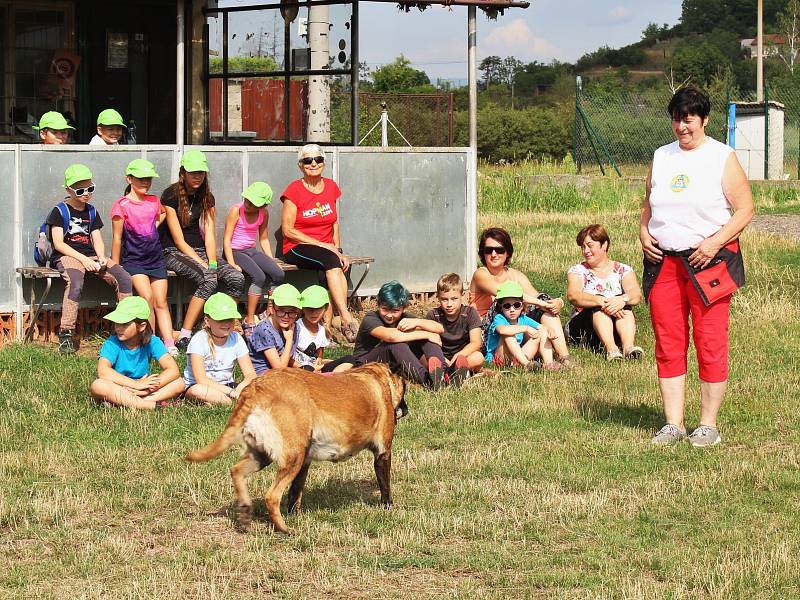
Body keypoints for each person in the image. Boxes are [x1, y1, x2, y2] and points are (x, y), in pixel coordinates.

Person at [641, 86, 754, 448]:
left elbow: (745, 210)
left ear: (704, 120)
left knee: (710, 342)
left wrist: (714, 243)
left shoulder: (722, 156)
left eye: (688, 119)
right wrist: (643, 232)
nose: (681, 127)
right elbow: (649, 203)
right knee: (668, 342)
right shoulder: (661, 156)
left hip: (708, 263)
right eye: (676, 119)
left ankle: (707, 425)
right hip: (664, 265)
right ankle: (673, 423)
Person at [159, 149, 244, 350]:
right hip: (173, 251)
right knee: (208, 278)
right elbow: (178, 240)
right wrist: (204, 265)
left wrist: (212, 262)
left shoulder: (207, 197)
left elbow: (210, 235)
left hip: (201, 250)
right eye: (192, 172)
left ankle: (220, 324)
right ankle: (185, 335)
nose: (197, 176)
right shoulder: (170, 195)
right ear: (183, 173)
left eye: (201, 172)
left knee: (236, 278)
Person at [47, 163, 132, 354]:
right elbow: (59, 243)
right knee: (75, 282)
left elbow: (97, 239)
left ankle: (127, 325)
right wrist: (83, 260)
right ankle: (66, 333)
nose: (86, 193)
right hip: (67, 255)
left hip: (91, 255)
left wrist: (101, 257)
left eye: (90, 188)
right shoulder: (59, 211)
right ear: (68, 189)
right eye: (80, 190)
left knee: (124, 278)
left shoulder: (92, 211)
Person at [280, 144, 358, 342]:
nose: (313, 163)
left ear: (324, 163)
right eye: (307, 160)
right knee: (331, 261)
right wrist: (326, 247)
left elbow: (334, 223)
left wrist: (338, 250)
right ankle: (346, 317)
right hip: (297, 247)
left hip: (326, 250)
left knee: (333, 265)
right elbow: (288, 230)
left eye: (318, 159)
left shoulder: (331, 186)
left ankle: (327, 328)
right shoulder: (293, 190)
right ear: (300, 165)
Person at [469, 227, 575, 368]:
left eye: (499, 250)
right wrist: (541, 303)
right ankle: (527, 359)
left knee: (545, 309)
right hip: (489, 332)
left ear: (507, 252)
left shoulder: (515, 275)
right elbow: (506, 294)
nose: (493, 254)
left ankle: (563, 357)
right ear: (483, 253)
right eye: (488, 250)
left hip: (514, 326)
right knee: (505, 302)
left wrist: (556, 302)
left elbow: (536, 296)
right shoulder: (481, 274)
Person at [323, 281, 448, 389]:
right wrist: (426, 334)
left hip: (392, 364)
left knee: (429, 338)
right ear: (378, 305)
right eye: (385, 309)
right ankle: (427, 381)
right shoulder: (370, 318)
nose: (389, 315)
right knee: (396, 345)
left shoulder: (406, 318)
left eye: (395, 311)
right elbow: (391, 337)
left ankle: (443, 374)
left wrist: (419, 323)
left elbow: (439, 329)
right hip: (364, 364)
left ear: (404, 308)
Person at [111, 159, 175, 354]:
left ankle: (169, 343)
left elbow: (162, 214)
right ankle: (152, 340)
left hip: (156, 259)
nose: (145, 182)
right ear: (129, 179)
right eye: (140, 179)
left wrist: (150, 228)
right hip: (133, 260)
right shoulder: (121, 205)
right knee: (146, 296)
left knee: (161, 301)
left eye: (148, 179)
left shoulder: (154, 201)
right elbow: (117, 237)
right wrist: (115, 265)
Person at [90, 296, 185, 410]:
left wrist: (147, 388)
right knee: (98, 385)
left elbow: (173, 370)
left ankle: (126, 403)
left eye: (124, 324)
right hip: (119, 386)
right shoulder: (112, 343)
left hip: (143, 388)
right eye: (117, 323)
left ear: (142, 326)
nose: (118, 328)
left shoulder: (153, 342)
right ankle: (152, 405)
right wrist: (136, 385)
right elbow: (103, 371)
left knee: (179, 383)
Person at [565, 224, 644, 361]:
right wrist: (602, 301)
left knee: (624, 305)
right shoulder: (577, 271)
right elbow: (574, 296)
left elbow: (636, 294)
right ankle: (611, 350)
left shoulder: (623, 270)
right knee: (598, 307)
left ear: (604, 245)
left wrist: (621, 300)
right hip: (584, 326)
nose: (586, 251)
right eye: (583, 247)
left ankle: (628, 348)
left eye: (590, 245)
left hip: (614, 324)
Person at [223, 181, 284, 333]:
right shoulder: (236, 210)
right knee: (259, 277)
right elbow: (227, 239)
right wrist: (231, 262)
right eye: (247, 200)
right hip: (235, 251)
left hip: (251, 250)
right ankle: (249, 319)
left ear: (262, 206)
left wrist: (271, 259)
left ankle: (269, 310)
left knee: (279, 274)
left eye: (253, 203)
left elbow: (263, 238)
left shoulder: (264, 213)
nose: (248, 204)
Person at [184, 292, 257, 405]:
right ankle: (228, 401)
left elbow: (251, 374)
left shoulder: (236, 338)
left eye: (230, 319)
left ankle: (221, 400)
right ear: (208, 321)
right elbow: (201, 380)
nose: (226, 323)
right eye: (221, 320)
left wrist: (240, 387)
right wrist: (231, 392)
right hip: (201, 387)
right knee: (197, 391)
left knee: (257, 386)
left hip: (227, 385)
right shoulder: (199, 340)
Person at [484, 281, 560, 371]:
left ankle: (548, 364)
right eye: (507, 306)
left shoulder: (523, 318)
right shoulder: (499, 318)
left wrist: (549, 330)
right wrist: (526, 328)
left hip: (515, 358)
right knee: (508, 333)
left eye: (516, 305)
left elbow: (542, 328)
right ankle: (527, 364)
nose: (512, 310)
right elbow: (502, 330)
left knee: (541, 333)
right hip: (498, 359)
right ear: (501, 307)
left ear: (522, 306)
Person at [425, 273, 484, 386]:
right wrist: (444, 360)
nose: (449, 304)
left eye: (454, 299)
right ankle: (449, 374)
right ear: (438, 297)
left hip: (463, 356)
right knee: (423, 357)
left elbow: (476, 343)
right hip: (440, 357)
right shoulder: (433, 315)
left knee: (478, 357)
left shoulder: (470, 313)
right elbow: (430, 343)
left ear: (462, 295)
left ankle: (450, 373)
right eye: (444, 299)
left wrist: (457, 357)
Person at [247, 283, 303, 375]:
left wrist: (305, 367)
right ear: (272, 309)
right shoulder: (264, 330)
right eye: (281, 311)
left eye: (292, 312)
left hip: (284, 372)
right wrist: (289, 340)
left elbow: (286, 357)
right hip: (263, 377)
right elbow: (279, 370)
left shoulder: (294, 327)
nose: (286, 317)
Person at [294, 285, 332, 371]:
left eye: (318, 308)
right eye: (309, 308)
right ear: (303, 308)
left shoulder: (322, 329)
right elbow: (288, 356)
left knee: (349, 359)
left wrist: (319, 360)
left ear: (325, 308)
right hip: (299, 368)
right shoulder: (296, 327)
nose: (313, 313)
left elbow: (320, 353)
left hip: (314, 367)